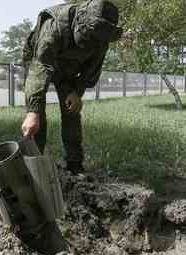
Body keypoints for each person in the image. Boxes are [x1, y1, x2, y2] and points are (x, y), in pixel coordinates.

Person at [21, 0, 120, 175]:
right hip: (40, 60)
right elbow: (41, 67)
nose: (91, 44)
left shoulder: (102, 38)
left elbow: (91, 70)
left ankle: (75, 166)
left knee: (71, 111)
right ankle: (33, 166)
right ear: (80, 21)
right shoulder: (55, 26)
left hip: (68, 68)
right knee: (37, 119)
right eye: (88, 37)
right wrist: (33, 111)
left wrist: (76, 92)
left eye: (95, 41)